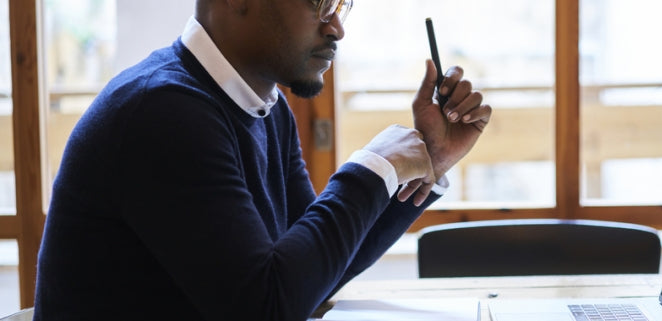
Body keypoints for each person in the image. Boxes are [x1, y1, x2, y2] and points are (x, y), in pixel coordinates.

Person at [32, 0, 491, 320]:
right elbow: (267, 309)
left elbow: (309, 279)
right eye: (318, 2)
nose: (336, 27)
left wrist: (428, 160)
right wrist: (374, 167)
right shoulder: (163, 111)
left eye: (341, 4)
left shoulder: (263, 108)